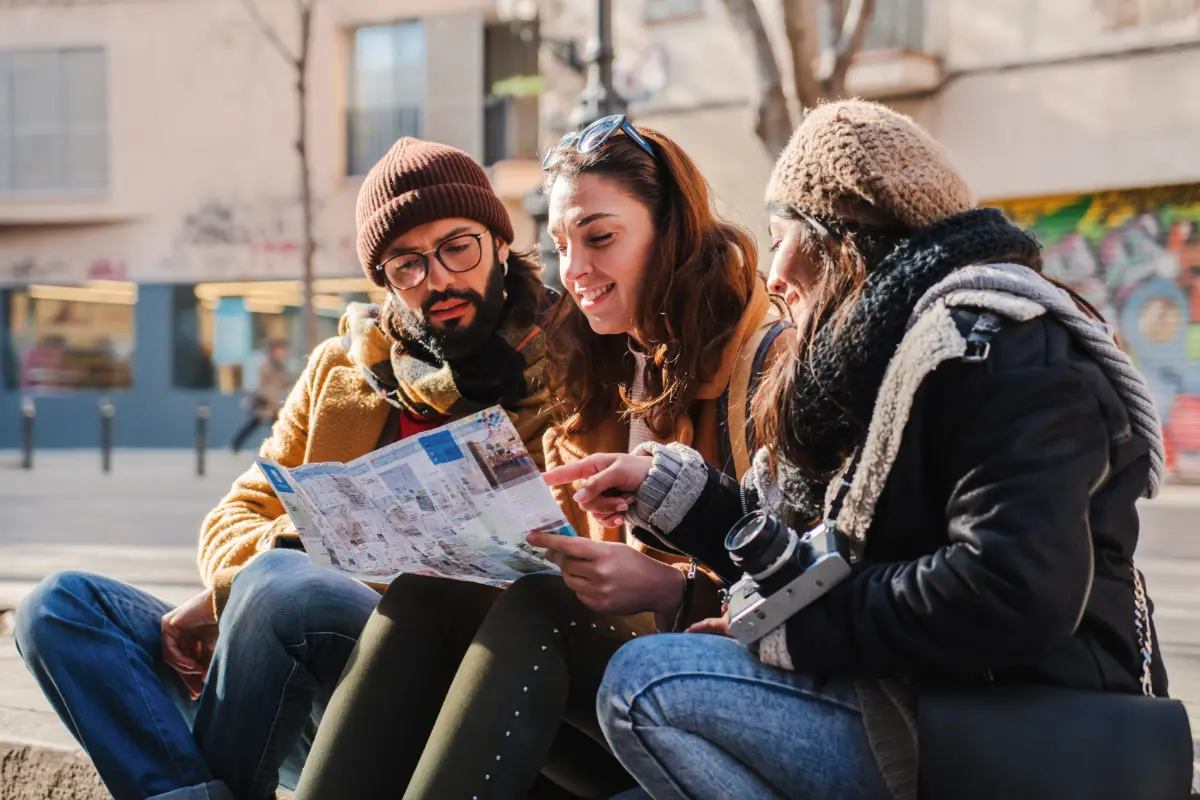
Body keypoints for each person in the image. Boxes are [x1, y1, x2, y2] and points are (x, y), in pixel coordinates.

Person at [554, 100, 1170, 800]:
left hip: (999, 730)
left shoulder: (1002, 349)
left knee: (644, 684)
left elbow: (1010, 591)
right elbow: (808, 557)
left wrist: (798, 627)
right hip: (909, 699)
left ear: (840, 241)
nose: (773, 271)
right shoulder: (884, 356)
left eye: (782, 233)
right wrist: (676, 499)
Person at [14, 137, 557, 800]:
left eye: (457, 246)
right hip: (293, 694)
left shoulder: (562, 369)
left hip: (433, 693)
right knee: (60, 608)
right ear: (382, 278)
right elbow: (237, 515)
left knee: (281, 588)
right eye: (407, 264)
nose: (438, 278)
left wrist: (282, 573)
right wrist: (255, 575)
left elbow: (556, 560)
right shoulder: (342, 369)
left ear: (501, 242)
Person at [292, 116, 792, 799]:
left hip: (731, 698)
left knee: (539, 609)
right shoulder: (593, 367)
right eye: (561, 245)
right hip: (605, 680)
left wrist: (669, 589)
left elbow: (816, 584)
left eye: (601, 237)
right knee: (429, 593)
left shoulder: (769, 365)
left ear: (670, 228)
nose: (577, 271)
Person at [231, 339, 290, 454]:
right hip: (265, 402)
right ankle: (236, 443)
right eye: (280, 350)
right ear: (274, 351)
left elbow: (280, 383)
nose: (282, 353)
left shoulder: (279, 365)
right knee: (263, 425)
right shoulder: (267, 364)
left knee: (269, 425)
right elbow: (262, 384)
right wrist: (267, 399)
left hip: (272, 403)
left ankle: (236, 443)